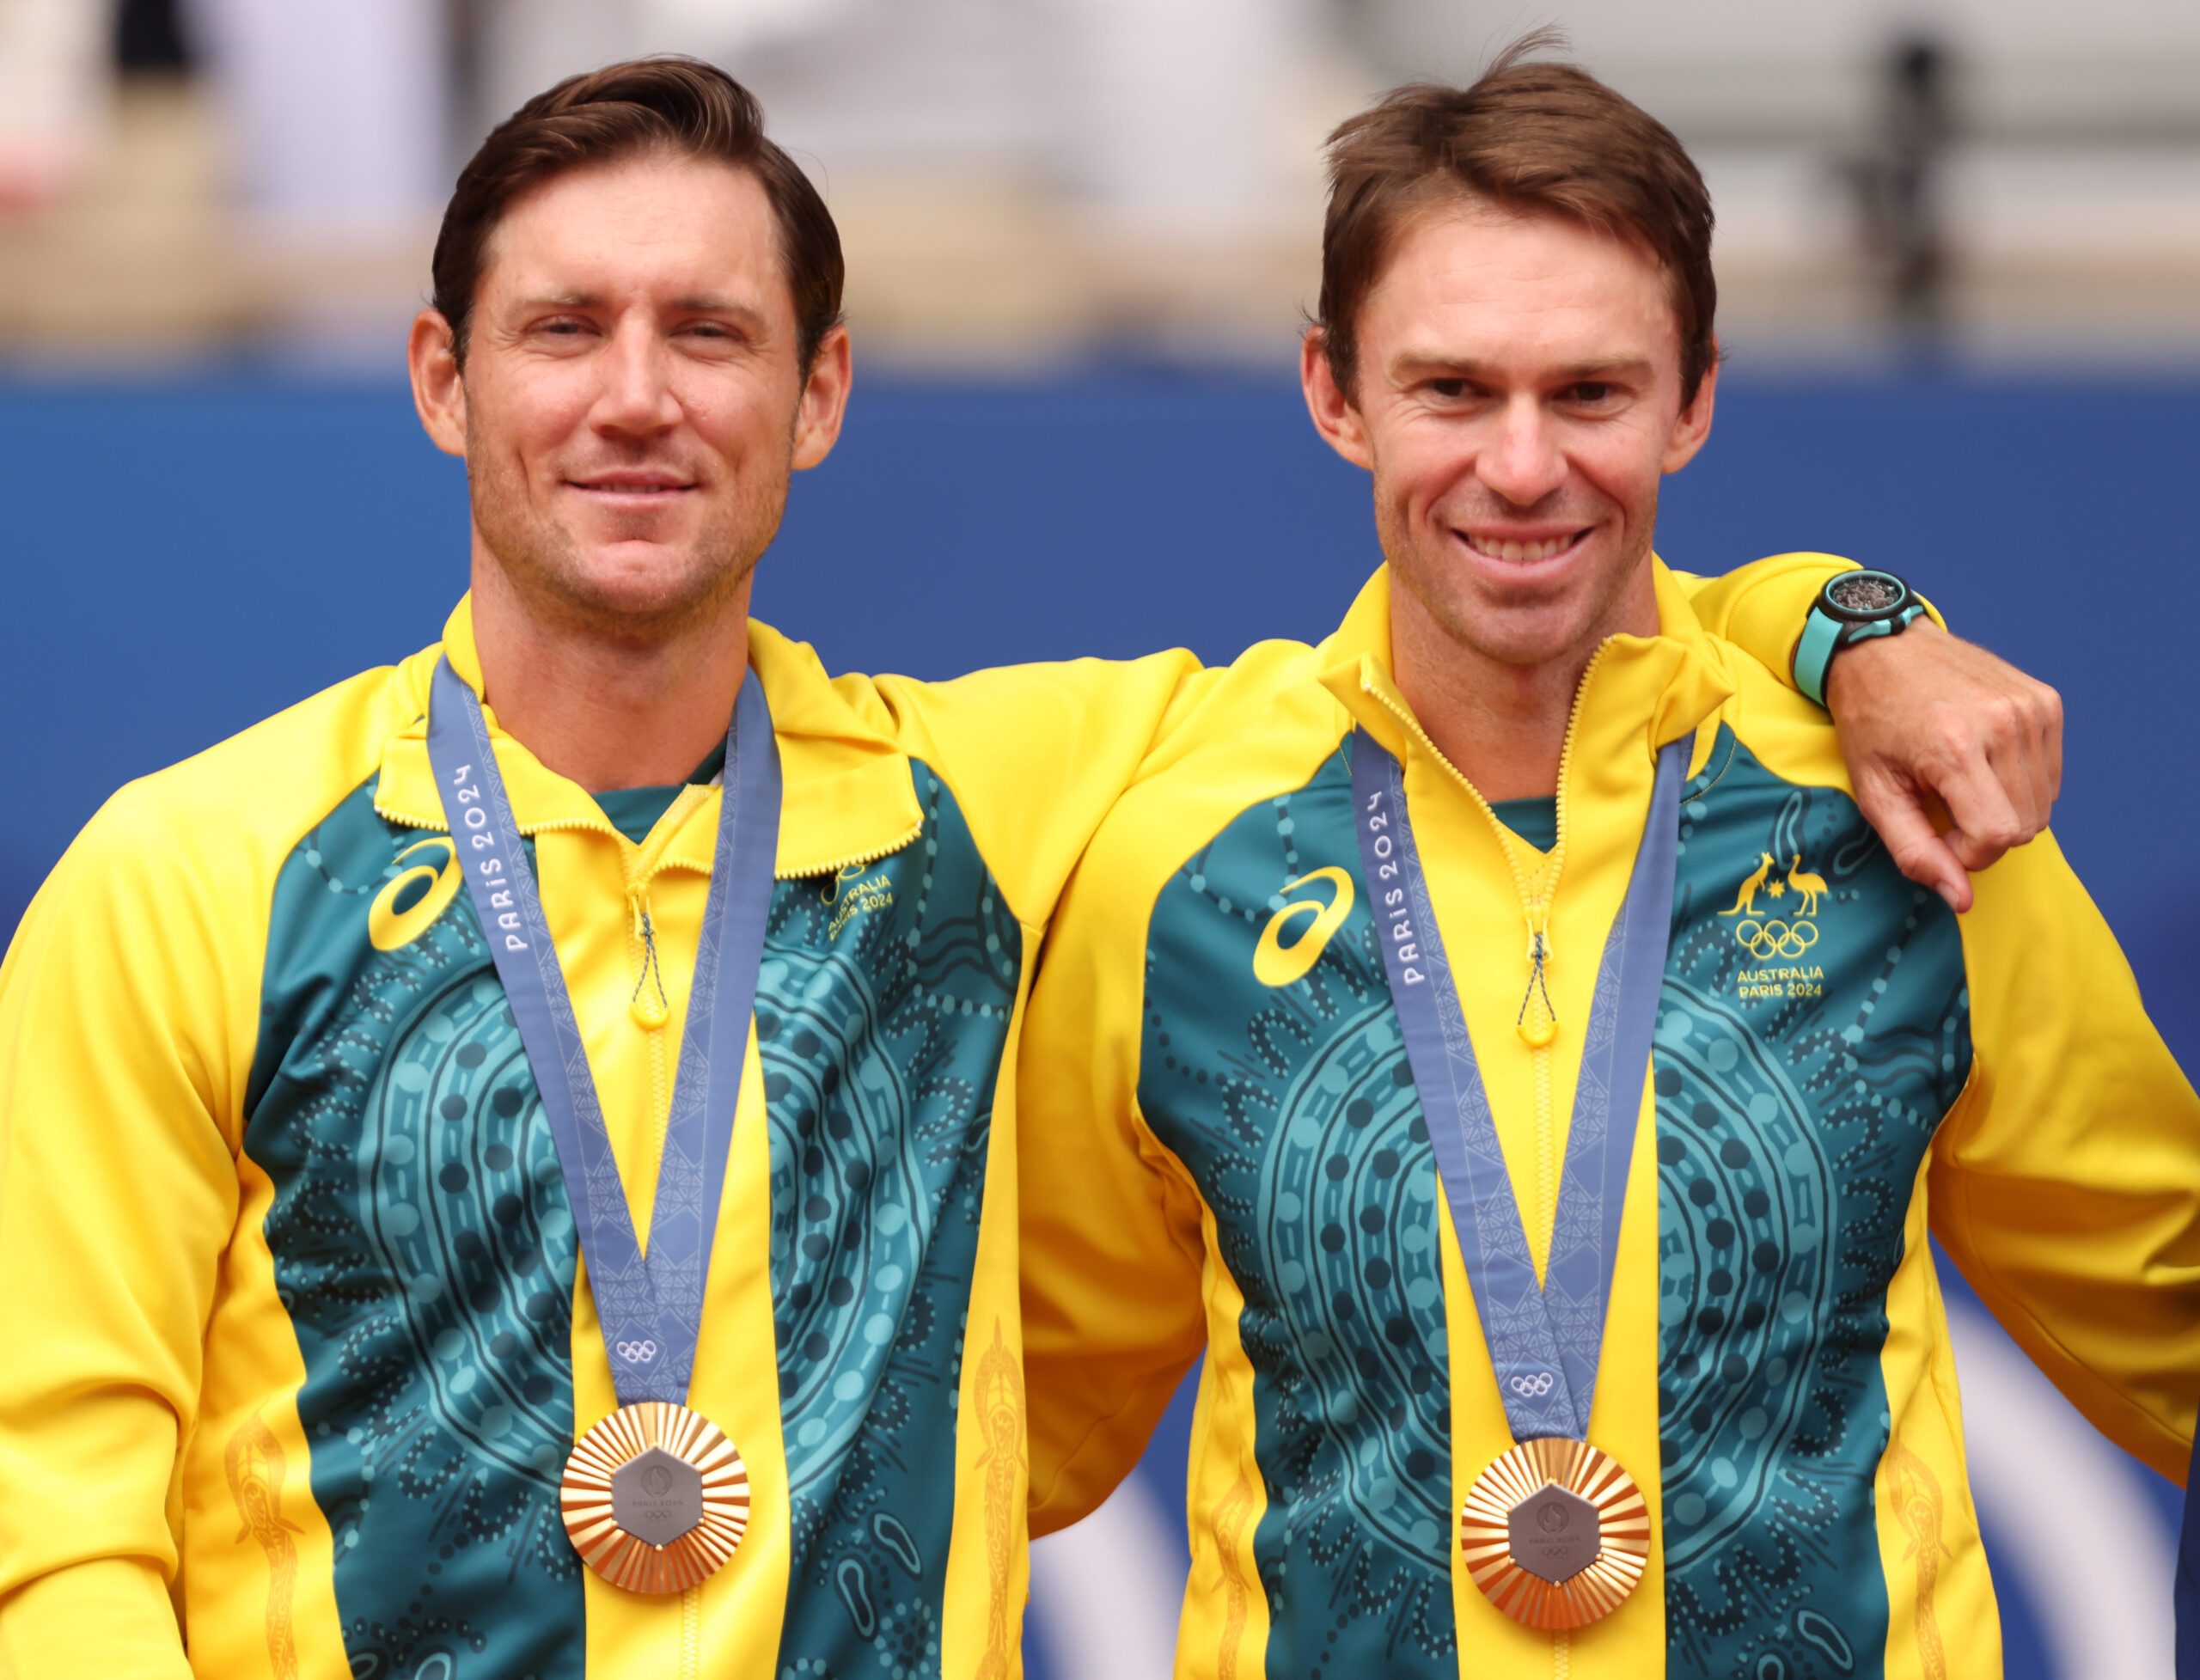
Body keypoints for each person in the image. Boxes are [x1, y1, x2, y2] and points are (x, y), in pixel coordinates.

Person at [0, 54, 2059, 1680]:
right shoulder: (192, 873)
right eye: (565, 330)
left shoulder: (1010, 804)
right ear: (446, 379)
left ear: (815, 397)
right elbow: (54, 1518)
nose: (636, 397)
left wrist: (1844, 624)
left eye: (710, 335)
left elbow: (1520, 612)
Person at [1016, 41, 2195, 1680]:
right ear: (1333, 392)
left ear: (1695, 398)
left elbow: (2171, 1317)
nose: (1520, 466)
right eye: (1452, 390)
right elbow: (1008, 1440)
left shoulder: (1902, 811)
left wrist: (1851, 626)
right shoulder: (1178, 866)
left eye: (1590, 392)